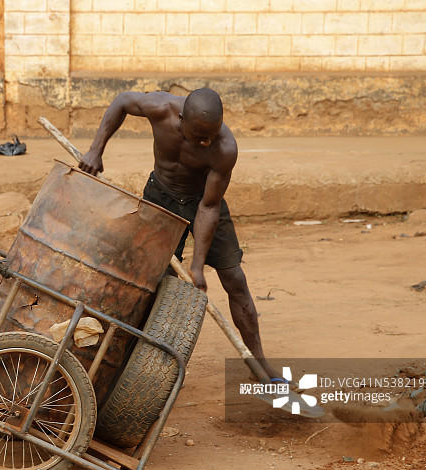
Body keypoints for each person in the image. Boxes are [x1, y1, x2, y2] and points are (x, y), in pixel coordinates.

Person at [78, 88, 280, 380]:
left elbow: (209, 207)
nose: (205, 142)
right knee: (150, 283)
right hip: (160, 198)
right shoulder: (160, 108)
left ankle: (258, 363)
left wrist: (197, 267)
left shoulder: (224, 148)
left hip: (203, 202)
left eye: (210, 135)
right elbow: (122, 100)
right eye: (198, 135)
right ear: (181, 118)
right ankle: (133, 367)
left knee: (235, 279)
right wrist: (96, 149)